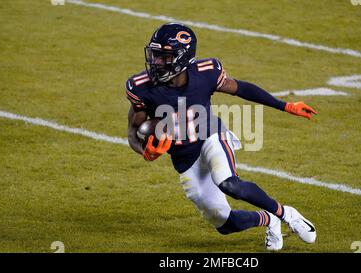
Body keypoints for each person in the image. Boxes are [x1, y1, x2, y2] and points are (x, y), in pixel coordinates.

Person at [126, 22, 317, 251]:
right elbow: (133, 131)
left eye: (164, 57)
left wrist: (285, 105)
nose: (156, 62)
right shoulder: (140, 87)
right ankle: (268, 218)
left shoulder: (206, 73)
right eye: (155, 55)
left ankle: (288, 214)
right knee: (225, 224)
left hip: (211, 136)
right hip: (184, 159)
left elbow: (242, 88)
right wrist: (144, 151)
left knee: (229, 183)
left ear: (183, 57)